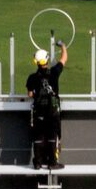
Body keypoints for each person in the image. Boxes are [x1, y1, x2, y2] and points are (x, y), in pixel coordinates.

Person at [26, 42, 68, 170]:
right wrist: (63, 46)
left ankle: (37, 163)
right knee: (52, 136)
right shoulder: (54, 72)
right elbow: (64, 58)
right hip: (53, 111)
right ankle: (52, 162)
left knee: (38, 137)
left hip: (39, 112)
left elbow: (30, 94)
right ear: (47, 60)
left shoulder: (32, 78)